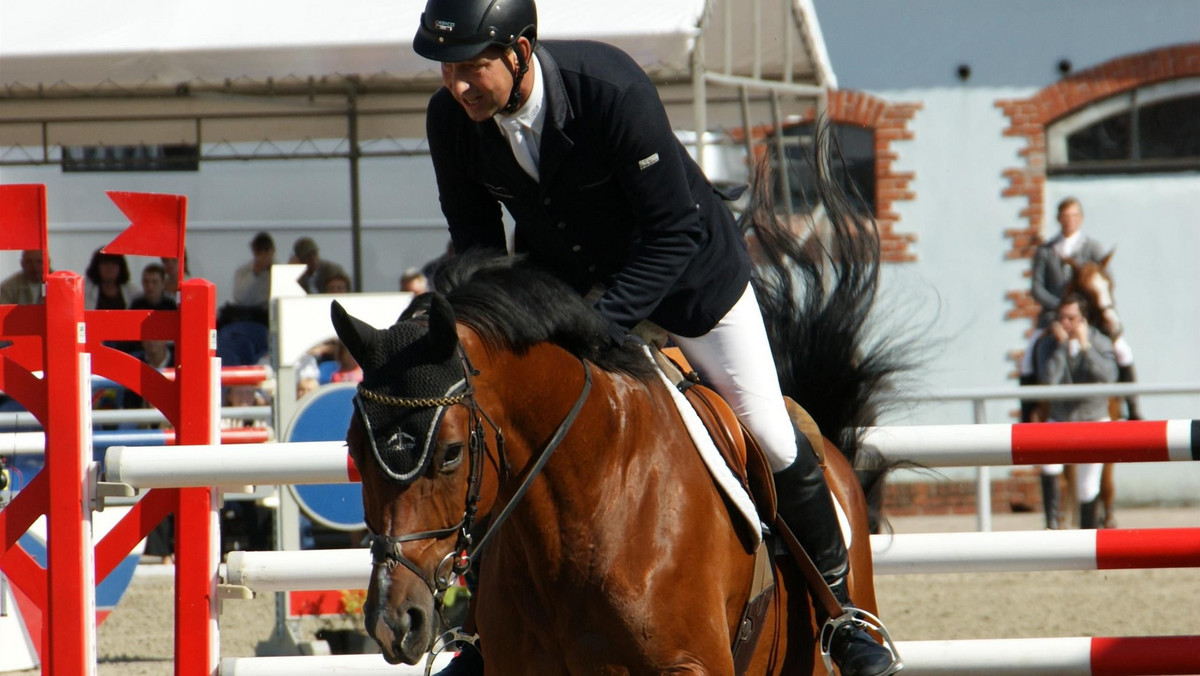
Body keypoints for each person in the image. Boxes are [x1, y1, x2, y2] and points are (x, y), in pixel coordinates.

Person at [413, 1, 897, 674]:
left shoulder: (609, 87)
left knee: (767, 429)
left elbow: (675, 231)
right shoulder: (451, 122)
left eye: (473, 67)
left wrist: (599, 324)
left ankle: (846, 619)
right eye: (447, 70)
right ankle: (476, 629)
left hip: (691, 285)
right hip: (569, 293)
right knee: (503, 442)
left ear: (522, 50)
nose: (459, 85)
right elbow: (475, 245)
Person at [1032, 293, 1118, 529]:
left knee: (1087, 486)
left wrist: (1086, 347)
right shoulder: (1049, 343)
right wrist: (1061, 347)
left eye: (1071, 318)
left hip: (1093, 418)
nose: (1065, 323)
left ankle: (1087, 535)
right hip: (1060, 417)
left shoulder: (1100, 341)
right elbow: (1048, 382)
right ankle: (1051, 525)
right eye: (1062, 318)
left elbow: (1109, 377)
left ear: (1083, 319)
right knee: (1048, 465)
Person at [231, 232, 275, 311]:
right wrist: (255, 274)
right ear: (254, 252)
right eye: (258, 250)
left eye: (266, 250)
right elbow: (240, 298)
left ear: (272, 251)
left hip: (268, 313)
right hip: (247, 312)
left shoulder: (279, 271)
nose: (263, 255)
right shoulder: (243, 271)